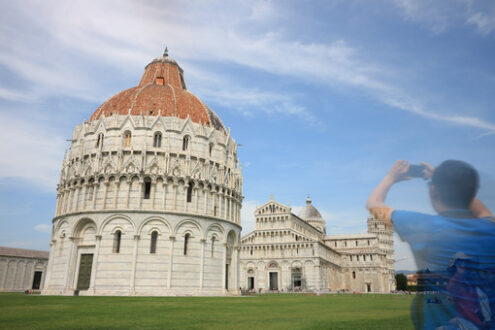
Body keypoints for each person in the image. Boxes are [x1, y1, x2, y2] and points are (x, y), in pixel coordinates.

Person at [366, 160, 495, 329]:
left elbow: (373, 204)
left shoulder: (423, 226)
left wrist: (391, 177)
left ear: (433, 191)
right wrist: (447, 183)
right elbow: (482, 211)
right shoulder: (490, 229)